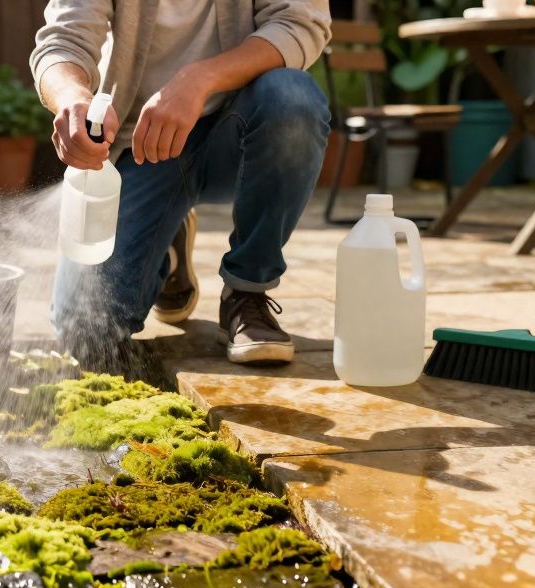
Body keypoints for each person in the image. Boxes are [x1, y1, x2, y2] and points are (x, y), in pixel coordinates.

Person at [31, 0, 332, 366]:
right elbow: (63, 39)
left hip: (243, 130)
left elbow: (299, 23)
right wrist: (72, 96)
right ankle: (169, 250)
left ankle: (246, 292)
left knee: (293, 98)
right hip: (143, 145)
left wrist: (199, 80)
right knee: (88, 329)